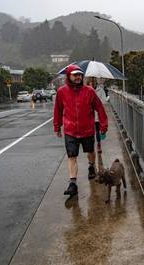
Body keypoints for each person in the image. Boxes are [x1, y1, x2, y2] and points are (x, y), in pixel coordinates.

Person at [53, 65, 108, 196]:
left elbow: (100, 108)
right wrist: (57, 126)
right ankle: (73, 183)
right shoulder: (61, 92)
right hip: (70, 131)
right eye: (75, 74)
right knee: (72, 156)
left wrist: (103, 126)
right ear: (69, 76)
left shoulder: (89, 91)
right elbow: (58, 110)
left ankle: (91, 165)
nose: (78, 77)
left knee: (90, 151)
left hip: (87, 129)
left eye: (80, 75)